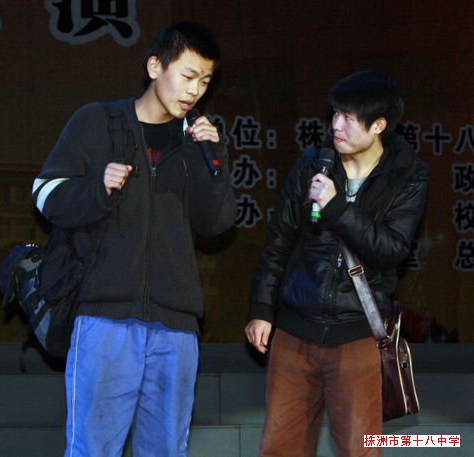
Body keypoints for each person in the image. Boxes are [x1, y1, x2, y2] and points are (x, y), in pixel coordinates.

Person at [32, 22, 237, 457]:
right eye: (188, 75)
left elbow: (217, 223)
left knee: (166, 449)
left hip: (176, 326)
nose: (195, 90)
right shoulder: (98, 121)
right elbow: (45, 193)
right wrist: (96, 189)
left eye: (205, 81)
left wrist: (214, 161)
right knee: (91, 449)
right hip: (105, 318)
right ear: (154, 66)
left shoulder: (199, 142)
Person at [245, 71, 428, 456]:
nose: (336, 125)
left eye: (348, 117)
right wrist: (262, 308)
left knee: (359, 449)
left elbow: (391, 249)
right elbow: (279, 239)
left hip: (357, 333)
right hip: (295, 328)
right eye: (335, 114)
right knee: (279, 447)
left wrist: (337, 208)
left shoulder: (406, 176)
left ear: (378, 125)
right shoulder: (313, 163)